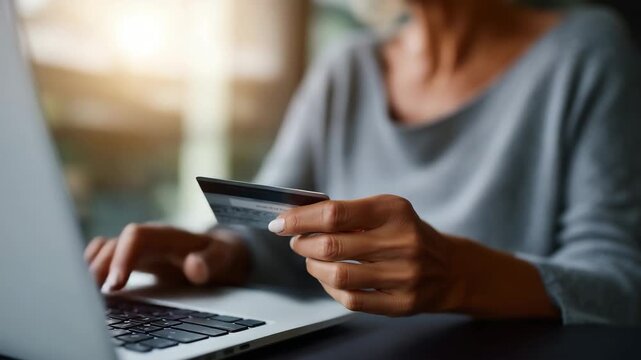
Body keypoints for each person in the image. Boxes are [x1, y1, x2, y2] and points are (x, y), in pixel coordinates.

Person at [85, 0, 641, 325]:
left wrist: (461, 275)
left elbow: (621, 286)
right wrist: (216, 250)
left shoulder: (588, 51)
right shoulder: (347, 68)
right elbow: (273, 231)